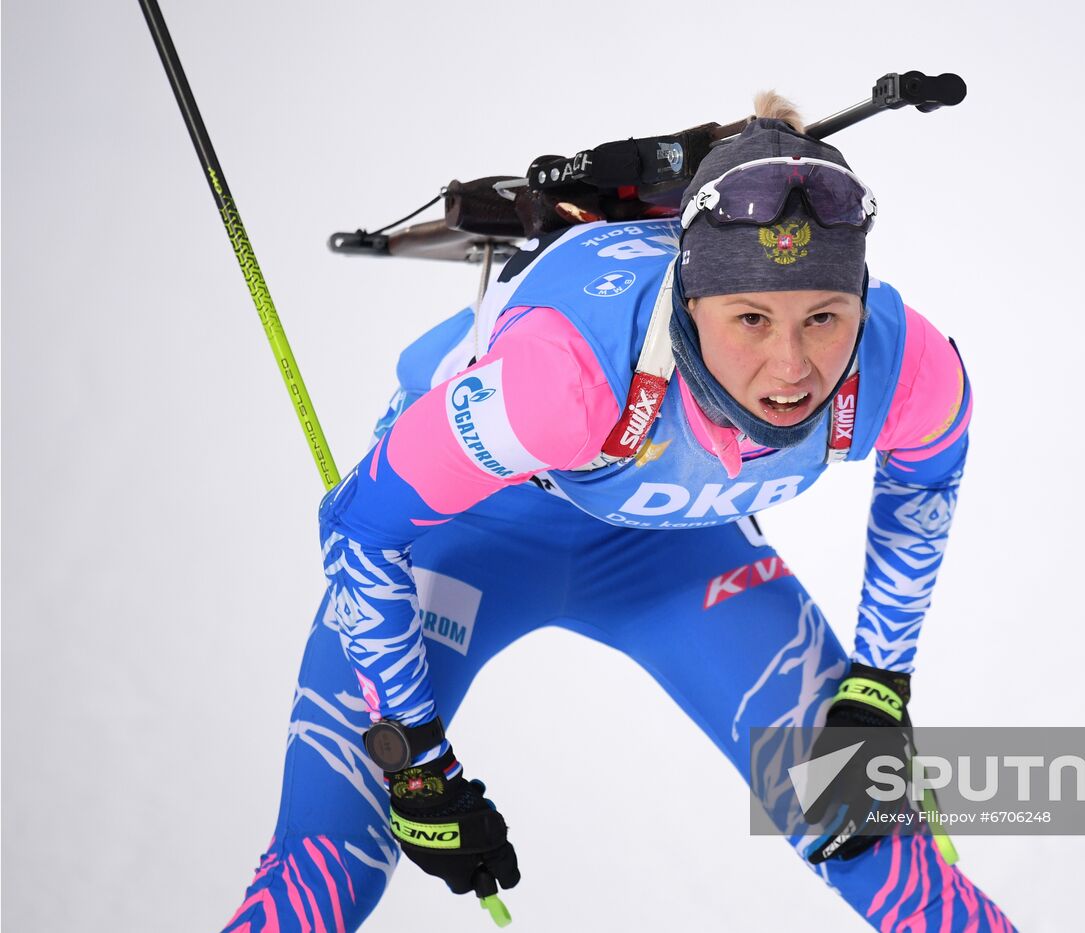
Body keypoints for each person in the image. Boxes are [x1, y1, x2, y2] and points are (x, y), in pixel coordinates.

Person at [221, 94, 1017, 932]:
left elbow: (926, 484)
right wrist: (415, 762)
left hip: (674, 552)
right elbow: (361, 523)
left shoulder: (905, 362)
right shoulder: (562, 378)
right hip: (474, 532)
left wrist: (882, 681)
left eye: (823, 317)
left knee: (873, 836)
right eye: (750, 319)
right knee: (329, 865)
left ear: (862, 299)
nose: (791, 367)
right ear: (690, 300)